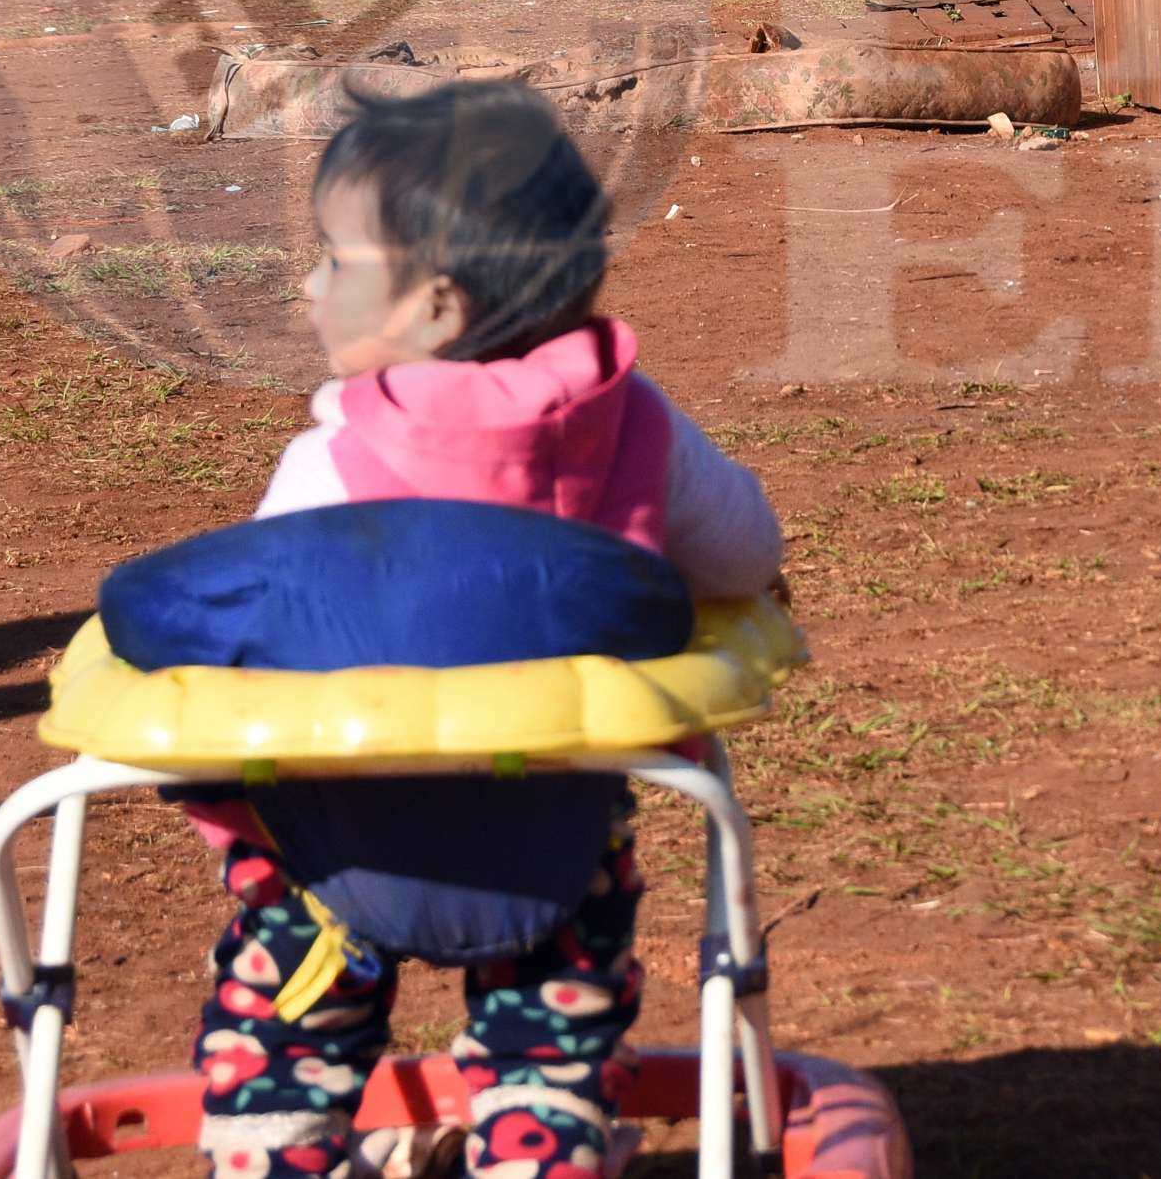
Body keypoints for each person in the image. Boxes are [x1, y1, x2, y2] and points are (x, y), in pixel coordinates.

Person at [189, 80, 782, 1179]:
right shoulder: (633, 425)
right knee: (550, 1037)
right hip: (554, 840)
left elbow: (253, 626)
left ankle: (278, 1150)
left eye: (333, 259)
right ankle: (539, 1145)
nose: (309, 283)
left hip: (333, 848)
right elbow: (746, 554)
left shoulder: (333, 461)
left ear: (437, 309)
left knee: (287, 1027)